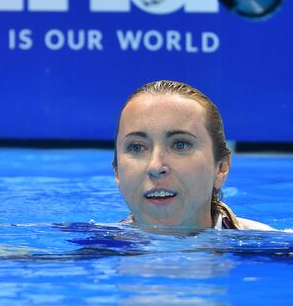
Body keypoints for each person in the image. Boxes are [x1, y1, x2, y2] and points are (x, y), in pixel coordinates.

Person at [113, 80, 274, 232]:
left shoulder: (275, 250)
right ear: (117, 171)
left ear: (221, 168)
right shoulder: (93, 251)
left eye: (180, 145)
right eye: (136, 147)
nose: (155, 167)